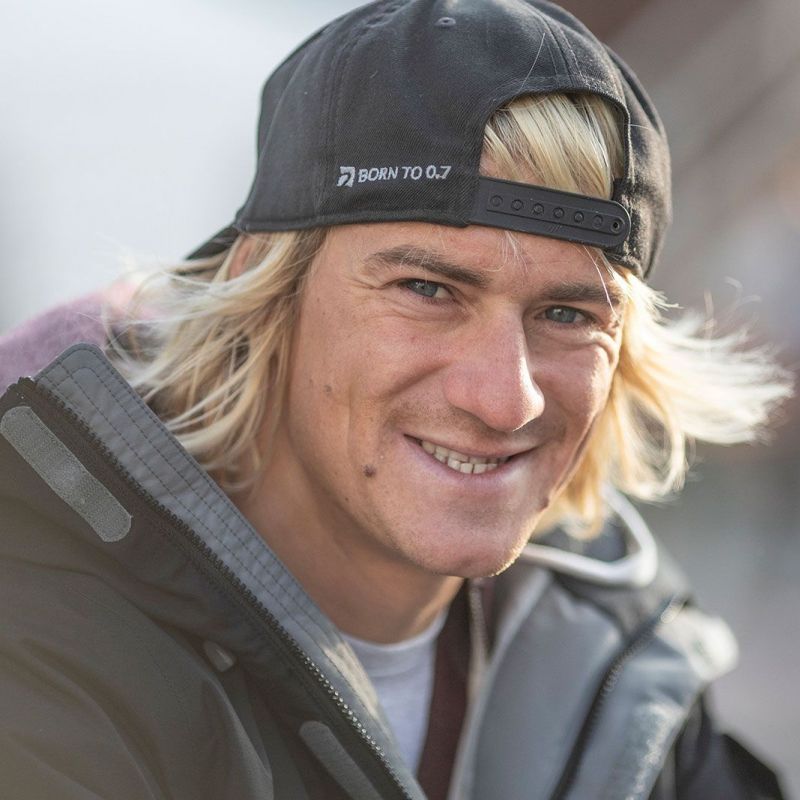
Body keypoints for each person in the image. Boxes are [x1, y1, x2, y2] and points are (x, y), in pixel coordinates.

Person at [0, 1, 792, 797]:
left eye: (566, 314)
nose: (505, 399)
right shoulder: (42, 642)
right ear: (264, 290)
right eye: (427, 289)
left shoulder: (626, 667)